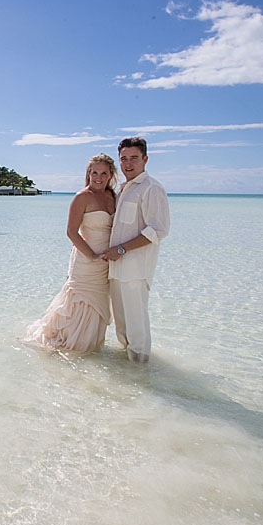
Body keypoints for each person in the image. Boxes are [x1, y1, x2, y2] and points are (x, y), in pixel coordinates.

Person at [24, 154, 117, 353]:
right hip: (86, 260)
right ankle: (71, 348)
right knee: (80, 301)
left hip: (106, 263)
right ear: (88, 174)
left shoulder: (113, 196)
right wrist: (92, 256)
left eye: (104, 173)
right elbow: (71, 232)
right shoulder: (82, 197)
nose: (98, 178)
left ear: (111, 175)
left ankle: (90, 350)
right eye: (94, 173)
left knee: (98, 303)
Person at [100, 137, 170, 362]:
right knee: (122, 328)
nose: (128, 163)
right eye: (124, 159)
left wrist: (120, 250)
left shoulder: (151, 188)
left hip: (135, 270)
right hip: (116, 269)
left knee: (137, 329)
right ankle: (129, 377)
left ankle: (141, 372)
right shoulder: (123, 189)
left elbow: (158, 230)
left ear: (145, 159)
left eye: (134, 158)